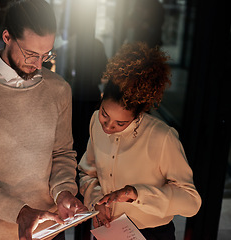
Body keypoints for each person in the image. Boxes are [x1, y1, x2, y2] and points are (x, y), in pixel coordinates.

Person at [0, 1, 87, 240]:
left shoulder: (58, 89)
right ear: (7, 36)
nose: (39, 64)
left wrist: (63, 192)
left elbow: (62, 153)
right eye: (31, 54)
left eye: (47, 54)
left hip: (51, 230)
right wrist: (19, 212)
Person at [78, 42, 201, 239]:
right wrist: (96, 203)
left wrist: (136, 194)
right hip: (108, 231)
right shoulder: (95, 121)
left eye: (120, 123)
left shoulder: (162, 137)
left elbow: (191, 202)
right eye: (104, 114)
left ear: (138, 114)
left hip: (153, 235)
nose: (108, 127)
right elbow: (87, 174)